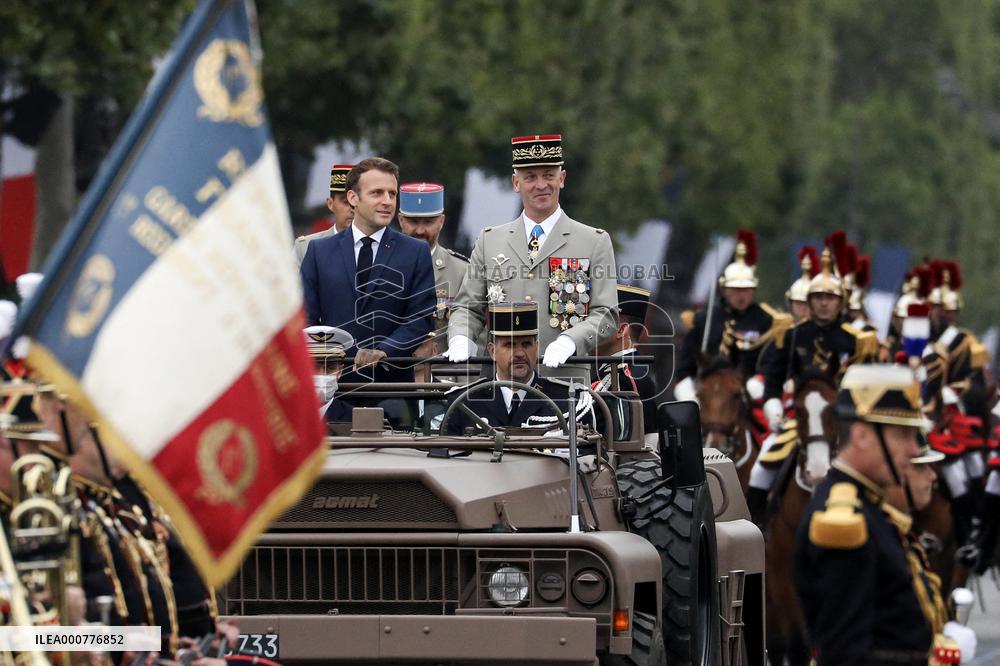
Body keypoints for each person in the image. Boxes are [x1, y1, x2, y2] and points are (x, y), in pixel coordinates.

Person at [445, 135, 618, 373]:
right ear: (516, 183)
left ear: (562, 178)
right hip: (502, 384)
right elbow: (468, 308)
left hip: (563, 383)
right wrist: (460, 338)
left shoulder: (593, 241)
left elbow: (607, 315)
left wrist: (571, 341)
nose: (541, 185)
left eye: (549, 175)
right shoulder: (490, 240)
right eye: (530, 177)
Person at [794, 364, 928, 664]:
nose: (914, 449)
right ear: (862, 435)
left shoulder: (868, 506)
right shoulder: (843, 521)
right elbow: (846, 655)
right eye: (903, 435)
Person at [301, 158, 435, 382]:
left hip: (391, 385)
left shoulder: (415, 252)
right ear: (353, 198)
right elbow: (306, 317)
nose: (387, 201)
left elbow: (421, 317)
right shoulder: (319, 252)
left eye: (392, 194)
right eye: (377, 193)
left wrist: (384, 351)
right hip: (333, 385)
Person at [674, 229, 791, 401]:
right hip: (708, 392)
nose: (741, 295)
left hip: (748, 394)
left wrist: (758, 382)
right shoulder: (704, 319)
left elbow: (772, 362)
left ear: (754, 290)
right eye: (735, 289)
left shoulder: (766, 320)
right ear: (724, 289)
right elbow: (686, 367)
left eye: (746, 290)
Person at [446, 302, 569, 434]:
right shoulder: (466, 401)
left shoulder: (565, 400)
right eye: (510, 345)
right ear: (492, 351)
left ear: (537, 347)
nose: (520, 353)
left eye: (526, 344)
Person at [397, 182, 471, 381]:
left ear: (441, 221)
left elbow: (474, 333)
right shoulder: (383, 266)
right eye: (413, 221)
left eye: (428, 222)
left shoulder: (461, 271)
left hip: (444, 382)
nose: (420, 230)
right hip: (390, 381)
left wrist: (461, 388)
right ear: (401, 220)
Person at [593, 284, 659, 446]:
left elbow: (634, 443)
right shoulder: (607, 368)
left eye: (597, 322)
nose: (589, 329)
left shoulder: (629, 376)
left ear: (621, 331)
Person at [294, 164, 354, 264]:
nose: (352, 209)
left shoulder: (382, 248)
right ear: (331, 204)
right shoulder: (305, 248)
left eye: (358, 201)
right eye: (345, 202)